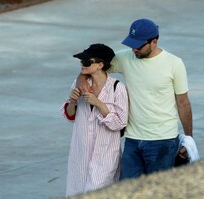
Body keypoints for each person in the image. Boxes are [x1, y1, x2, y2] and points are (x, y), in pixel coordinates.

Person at [77, 18, 193, 180]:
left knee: (158, 191)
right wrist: (81, 79)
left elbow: (183, 103)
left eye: (138, 46)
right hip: (132, 140)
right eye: (131, 44)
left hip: (163, 140)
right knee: (127, 191)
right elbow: (93, 65)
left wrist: (189, 139)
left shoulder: (174, 64)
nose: (134, 49)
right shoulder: (126, 58)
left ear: (154, 42)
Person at [61, 43, 128, 197]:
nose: (82, 65)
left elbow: (120, 123)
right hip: (81, 153)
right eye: (81, 62)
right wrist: (72, 101)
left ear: (100, 65)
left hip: (105, 155)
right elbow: (69, 116)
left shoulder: (118, 88)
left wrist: (98, 103)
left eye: (86, 62)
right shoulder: (80, 84)